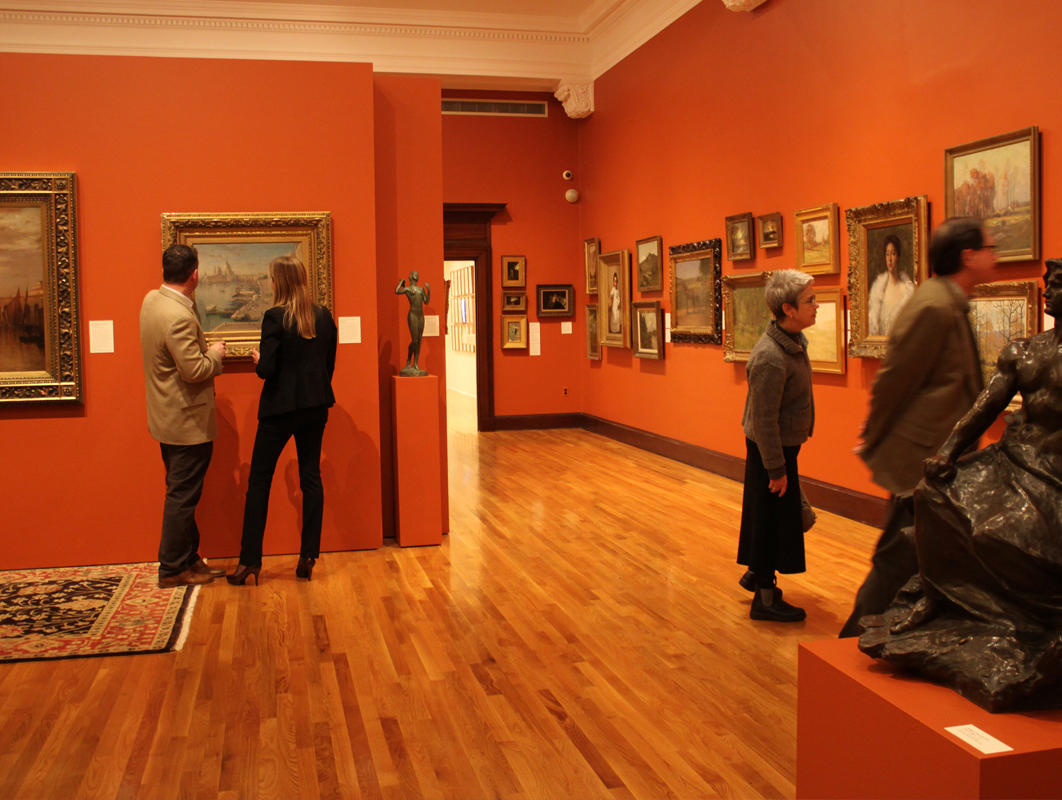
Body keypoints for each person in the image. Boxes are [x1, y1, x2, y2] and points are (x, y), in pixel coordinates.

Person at [860, 259, 1062, 711]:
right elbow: (982, 410)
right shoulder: (1024, 352)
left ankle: (1021, 621)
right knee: (932, 496)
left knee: (1019, 537)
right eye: (1047, 284)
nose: (1049, 291)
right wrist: (946, 452)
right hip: (1017, 457)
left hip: (1055, 471)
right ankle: (937, 597)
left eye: (1058, 284)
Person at [839, 217, 996, 637]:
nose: (995, 256)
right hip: (919, 462)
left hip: (938, 461)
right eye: (990, 248)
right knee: (898, 558)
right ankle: (851, 643)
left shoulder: (947, 301)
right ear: (969, 256)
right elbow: (895, 379)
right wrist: (872, 435)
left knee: (921, 558)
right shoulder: (934, 305)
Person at [228, 256, 337, 586]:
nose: (270, 283)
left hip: (279, 409)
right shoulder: (323, 316)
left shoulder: (275, 316)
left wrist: (259, 360)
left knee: (259, 482)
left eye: (272, 279)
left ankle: (249, 562)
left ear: (281, 282)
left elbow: (267, 371)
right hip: (315, 406)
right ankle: (308, 556)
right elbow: (328, 366)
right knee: (311, 479)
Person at [140, 244, 227, 588]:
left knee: (181, 492)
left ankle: (188, 557)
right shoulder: (178, 315)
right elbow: (194, 370)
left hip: (166, 416)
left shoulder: (152, 301)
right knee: (182, 496)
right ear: (195, 275)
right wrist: (215, 354)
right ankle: (172, 568)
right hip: (186, 422)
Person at [737, 269, 818, 622]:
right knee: (771, 521)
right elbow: (764, 419)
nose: (817, 306)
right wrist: (776, 469)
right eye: (810, 301)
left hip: (781, 448)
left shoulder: (791, 342)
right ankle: (765, 600)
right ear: (788, 308)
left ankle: (757, 574)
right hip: (772, 449)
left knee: (769, 516)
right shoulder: (771, 357)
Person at [867, 234, 915, 337]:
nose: (890, 259)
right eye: (887, 254)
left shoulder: (907, 291)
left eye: (893, 254)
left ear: (898, 257)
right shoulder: (878, 290)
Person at [396, 271, 430, 376]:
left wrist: (429, 290)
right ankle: (408, 360)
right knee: (414, 340)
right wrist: (401, 283)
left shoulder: (421, 289)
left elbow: (426, 301)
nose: (416, 274)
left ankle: (415, 364)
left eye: (417, 273)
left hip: (421, 315)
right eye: (414, 273)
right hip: (413, 315)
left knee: (419, 340)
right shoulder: (408, 289)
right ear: (410, 277)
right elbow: (397, 291)